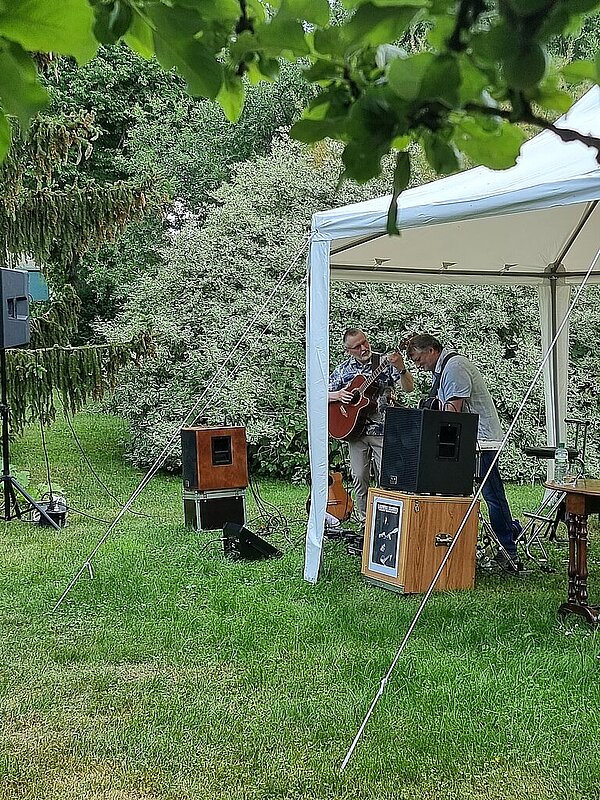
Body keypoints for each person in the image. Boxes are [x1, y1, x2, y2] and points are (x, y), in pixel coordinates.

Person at [406, 333, 521, 573]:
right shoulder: (444, 368)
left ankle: (508, 548)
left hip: (482, 440)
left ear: (431, 350)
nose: (418, 366)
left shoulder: (455, 368)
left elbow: (452, 413)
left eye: (418, 359)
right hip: (470, 440)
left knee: (491, 493)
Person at [328, 328, 414, 526]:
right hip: (354, 433)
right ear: (348, 350)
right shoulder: (343, 370)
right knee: (359, 477)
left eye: (364, 342)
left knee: (388, 477)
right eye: (357, 346)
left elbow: (408, 388)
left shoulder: (383, 362)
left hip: (383, 431)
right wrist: (339, 395)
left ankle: (390, 522)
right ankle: (366, 522)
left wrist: (401, 368)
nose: (363, 347)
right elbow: (318, 394)